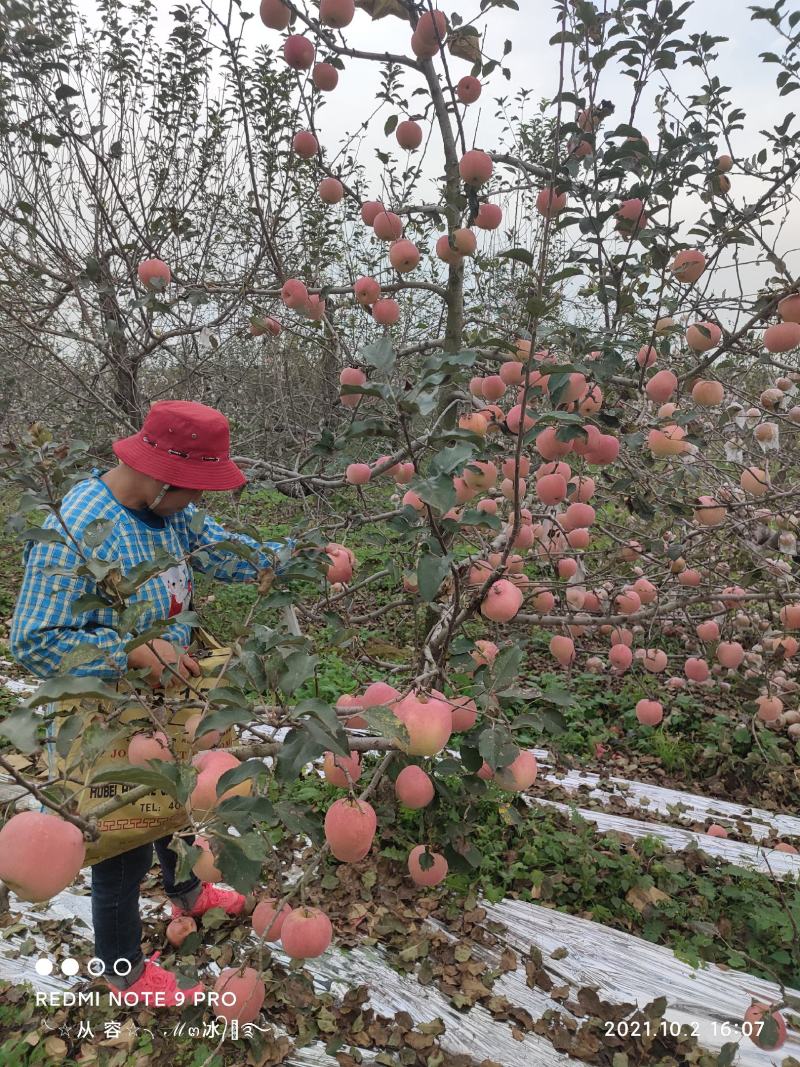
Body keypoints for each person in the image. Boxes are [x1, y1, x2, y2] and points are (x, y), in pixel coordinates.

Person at [10, 400, 288, 1006]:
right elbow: (34, 641)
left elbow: (216, 548)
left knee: (177, 800)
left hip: (166, 702)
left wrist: (288, 561)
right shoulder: (74, 531)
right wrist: (132, 652)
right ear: (161, 476)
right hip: (104, 715)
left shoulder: (171, 511)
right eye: (191, 490)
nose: (196, 503)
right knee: (122, 842)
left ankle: (186, 892)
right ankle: (123, 970)